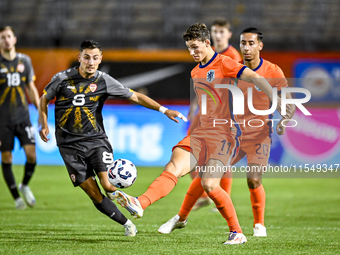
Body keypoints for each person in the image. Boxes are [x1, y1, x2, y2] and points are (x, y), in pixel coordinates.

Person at [114, 23, 286, 245]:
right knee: (173, 167)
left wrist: (276, 98)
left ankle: (237, 232)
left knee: (209, 184)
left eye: (195, 47)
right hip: (202, 132)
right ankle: (140, 202)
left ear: (207, 43)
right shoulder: (196, 71)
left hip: (225, 135)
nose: (192, 52)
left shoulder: (225, 62)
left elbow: (254, 77)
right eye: (188, 48)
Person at [38, 40, 186, 237]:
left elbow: (135, 97)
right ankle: (126, 223)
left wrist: (164, 109)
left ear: (100, 59)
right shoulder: (62, 78)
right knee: (93, 193)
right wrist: (43, 122)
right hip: (68, 146)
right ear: (79, 57)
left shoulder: (104, 80)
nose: (91, 62)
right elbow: (44, 98)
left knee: (108, 185)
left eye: (95, 58)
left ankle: (133, 203)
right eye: (87, 57)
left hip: (96, 141)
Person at [159, 27, 295, 237]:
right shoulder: (233, 69)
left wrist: (284, 119)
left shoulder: (273, 70)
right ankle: (180, 217)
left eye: (251, 43)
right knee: (207, 176)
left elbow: (289, 101)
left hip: (260, 135)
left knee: (254, 179)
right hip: (234, 133)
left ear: (260, 46)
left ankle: (259, 224)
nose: (246, 47)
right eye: (243, 43)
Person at [189, 18, 243, 210]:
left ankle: (217, 195)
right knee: (192, 155)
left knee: (218, 156)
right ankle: (208, 194)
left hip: (221, 115)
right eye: (215, 32)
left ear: (229, 34)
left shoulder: (231, 56)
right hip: (204, 112)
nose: (218, 35)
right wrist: (194, 106)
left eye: (222, 32)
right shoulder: (206, 57)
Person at [0, 26, 39, 210]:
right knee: (7, 157)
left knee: (31, 156)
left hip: (23, 117)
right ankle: (16, 198)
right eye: (2, 37)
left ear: (14, 39)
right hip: (3, 121)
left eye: (8, 36)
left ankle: (24, 185)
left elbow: (31, 87)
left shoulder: (25, 60)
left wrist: (40, 110)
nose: (6, 40)